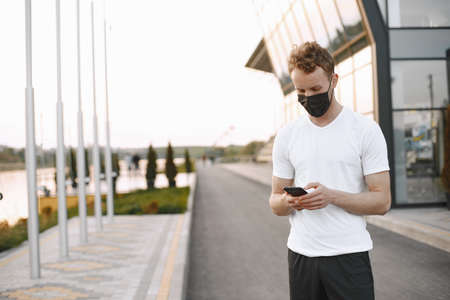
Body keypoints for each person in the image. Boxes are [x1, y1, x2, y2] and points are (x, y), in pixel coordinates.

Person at [270, 41, 391, 300]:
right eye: (300, 90)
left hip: (348, 258)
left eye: (315, 88)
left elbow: (382, 201)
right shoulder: (287, 136)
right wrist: (289, 201)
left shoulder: (365, 131)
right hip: (301, 257)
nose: (308, 97)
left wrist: (331, 196)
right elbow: (275, 203)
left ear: (334, 80)